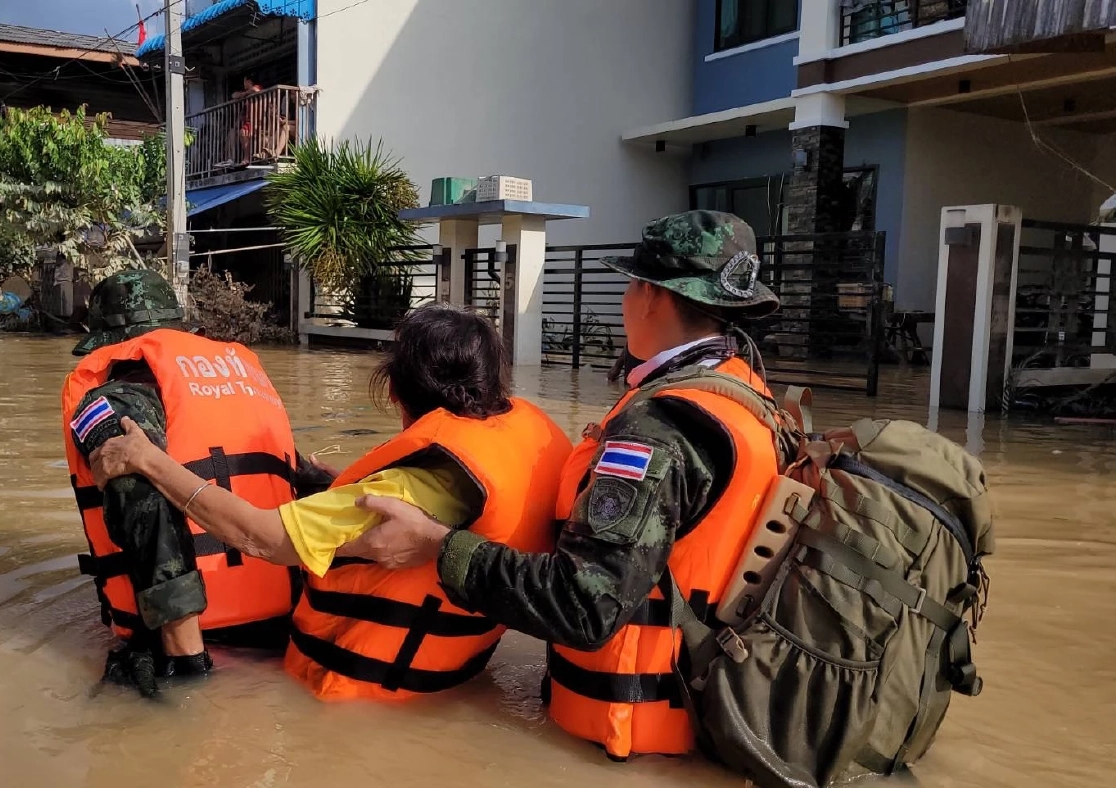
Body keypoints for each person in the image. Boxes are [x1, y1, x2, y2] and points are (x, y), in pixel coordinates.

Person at [340, 211, 783, 759]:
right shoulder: (747, 396)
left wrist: (439, 545)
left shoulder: (659, 428)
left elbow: (584, 606)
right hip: (704, 713)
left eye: (630, 285)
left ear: (650, 295)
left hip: (636, 743)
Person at [91, 304, 573, 701]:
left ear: (394, 390)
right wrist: (333, 485)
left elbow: (261, 537)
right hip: (453, 680)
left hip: (356, 697)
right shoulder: (531, 446)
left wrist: (149, 460)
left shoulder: (401, 491)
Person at [62, 269, 307, 698]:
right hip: (290, 628)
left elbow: (140, 495)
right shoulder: (244, 382)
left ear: (109, 342)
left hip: (198, 641)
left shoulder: (115, 399)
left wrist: (186, 659)